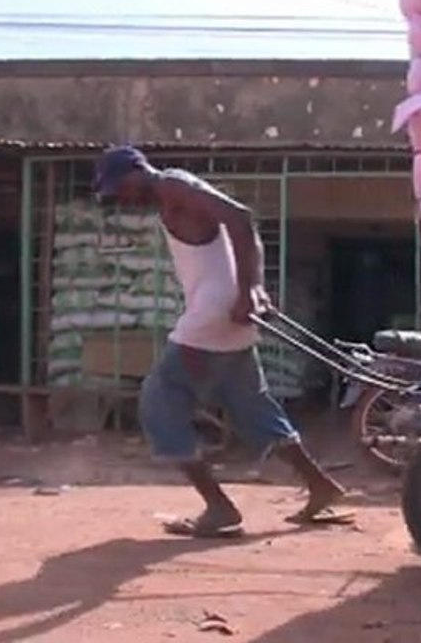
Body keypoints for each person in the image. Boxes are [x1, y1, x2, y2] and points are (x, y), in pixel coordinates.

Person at [92, 146, 349, 537]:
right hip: (226, 313)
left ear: (137, 170)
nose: (123, 198)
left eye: (122, 188)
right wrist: (247, 292)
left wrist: (252, 288)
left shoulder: (174, 185)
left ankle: (218, 506)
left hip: (214, 314)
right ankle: (320, 486)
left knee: (159, 399)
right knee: (253, 407)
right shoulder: (167, 195)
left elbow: (239, 217)